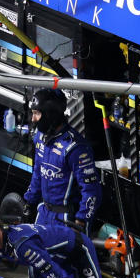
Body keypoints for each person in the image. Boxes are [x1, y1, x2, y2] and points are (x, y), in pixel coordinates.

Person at [23, 89, 101, 234]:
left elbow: (91, 190)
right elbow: (38, 173)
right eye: (33, 113)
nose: (33, 119)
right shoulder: (40, 137)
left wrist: (81, 221)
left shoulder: (75, 147)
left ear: (50, 114)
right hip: (44, 212)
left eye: (37, 113)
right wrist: (29, 201)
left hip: (66, 219)